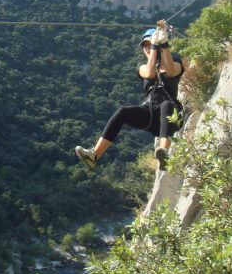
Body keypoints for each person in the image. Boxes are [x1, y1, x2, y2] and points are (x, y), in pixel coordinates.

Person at [75, 22, 184, 171]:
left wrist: (163, 44)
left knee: (166, 105)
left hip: (171, 115)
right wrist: (154, 47)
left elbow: (171, 71)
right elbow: (151, 73)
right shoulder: (142, 67)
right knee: (123, 112)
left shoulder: (176, 61)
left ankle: (164, 152)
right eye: (145, 45)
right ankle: (94, 155)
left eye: (150, 44)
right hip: (150, 115)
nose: (147, 48)